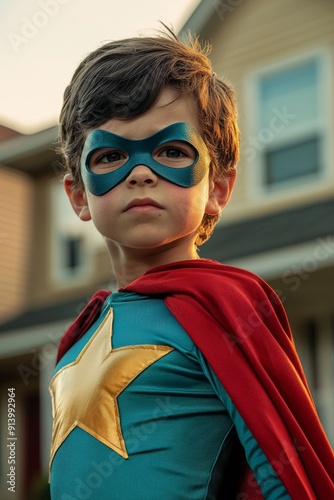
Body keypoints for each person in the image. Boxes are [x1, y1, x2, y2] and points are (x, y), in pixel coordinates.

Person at [49, 28, 334, 499]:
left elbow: (281, 467)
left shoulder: (226, 305)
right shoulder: (78, 336)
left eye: (171, 151)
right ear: (79, 195)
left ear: (218, 188)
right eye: (111, 156)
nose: (141, 172)